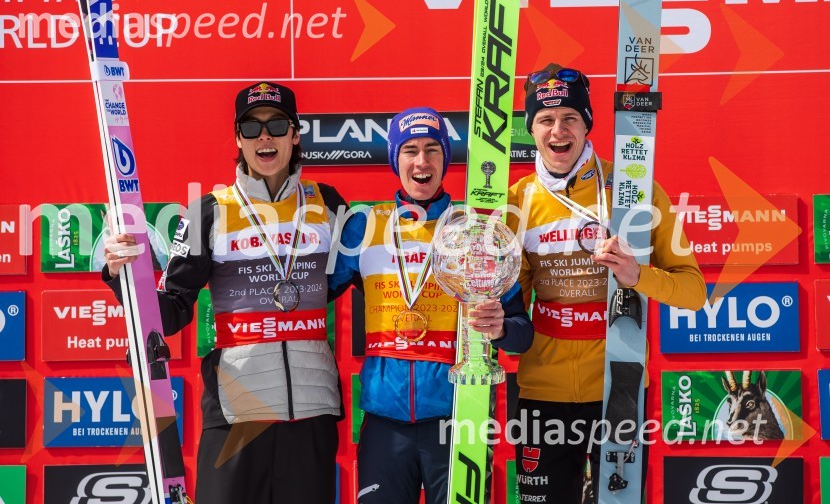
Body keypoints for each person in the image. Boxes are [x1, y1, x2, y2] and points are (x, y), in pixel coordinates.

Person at [103, 82, 346, 504]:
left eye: (276, 125)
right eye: (251, 128)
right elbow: (172, 311)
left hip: (311, 408)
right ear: (238, 139)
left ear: (295, 133)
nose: (264, 137)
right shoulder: (210, 210)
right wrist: (123, 277)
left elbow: (363, 279)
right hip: (237, 411)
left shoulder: (329, 204)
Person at [506, 64, 706, 503]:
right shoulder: (516, 201)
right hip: (542, 392)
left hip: (620, 384)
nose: (558, 131)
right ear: (531, 128)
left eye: (570, 118)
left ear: (587, 122)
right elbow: (511, 311)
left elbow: (694, 292)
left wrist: (639, 276)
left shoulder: (636, 190)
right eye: (545, 119)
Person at [329, 107, 533, 504]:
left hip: (459, 417)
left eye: (431, 149)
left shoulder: (476, 230)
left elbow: (522, 336)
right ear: (395, 160)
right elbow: (312, 292)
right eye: (409, 150)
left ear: (445, 158)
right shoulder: (364, 226)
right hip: (384, 424)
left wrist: (502, 329)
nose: (421, 162)